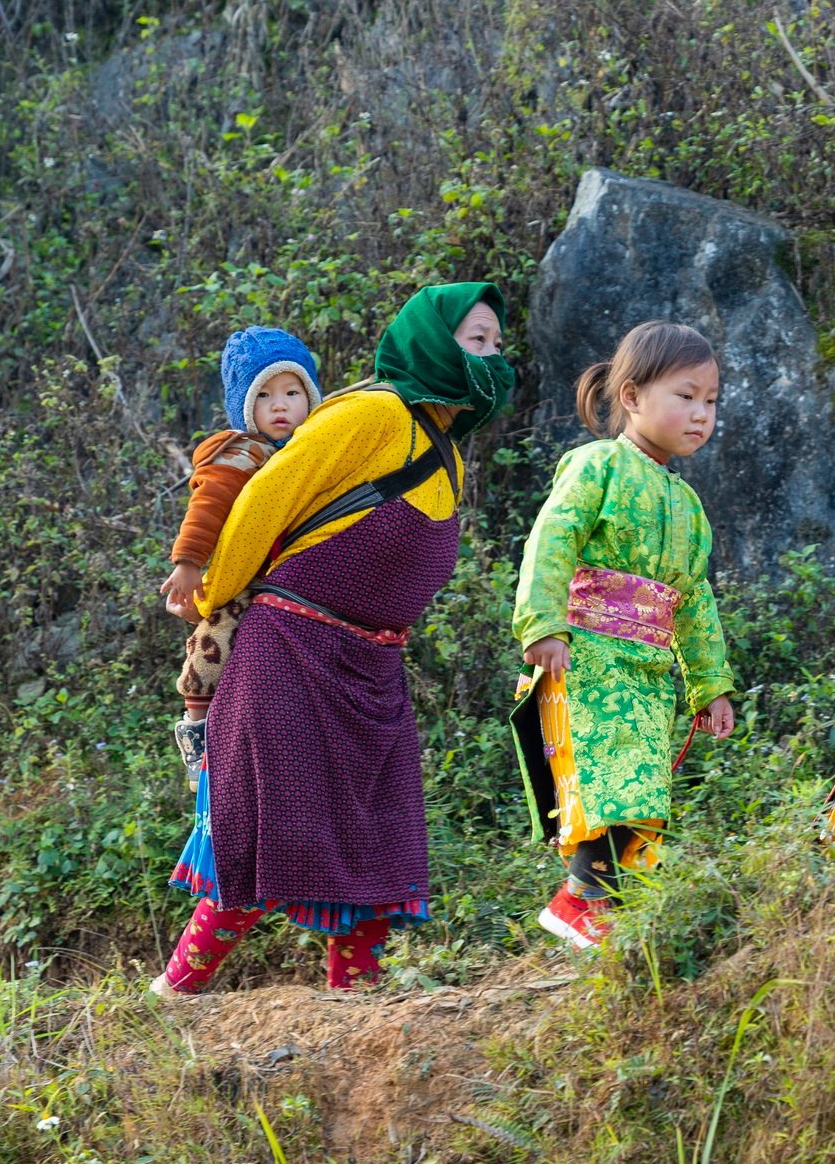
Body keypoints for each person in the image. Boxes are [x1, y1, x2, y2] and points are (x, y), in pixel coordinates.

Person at [152, 283, 515, 997]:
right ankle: (175, 994)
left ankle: (358, 1000)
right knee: (260, 830)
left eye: (498, 346)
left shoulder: (446, 450)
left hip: (371, 668)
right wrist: (209, 590)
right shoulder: (375, 413)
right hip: (287, 652)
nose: (491, 358)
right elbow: (266, 496)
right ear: (433, 344)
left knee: (379, 843)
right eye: (476, 341)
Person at [511, 321, 736, 950]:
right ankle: (581, 902)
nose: (701, 414)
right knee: (612, 778)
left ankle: (611, 913)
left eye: (711, 401)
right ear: (632, 397)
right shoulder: (597, 465)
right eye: (685, 396)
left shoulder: (688, 505)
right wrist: (543, 624)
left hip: (650, 667)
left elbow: (694, 602)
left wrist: (710, 686)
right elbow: (551, 540)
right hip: (590, 656)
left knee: (645, 789)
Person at [161, 326, 321, 787]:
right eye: (264, 395)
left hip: (292, 573)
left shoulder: (313, 448)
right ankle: (197, 732)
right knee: (213, 640)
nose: (279, 405)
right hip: (246, 575)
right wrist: (189, 563)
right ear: (244, 406)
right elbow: (206, 508)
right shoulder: (240, 453)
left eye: (293, 391)